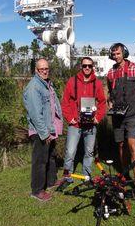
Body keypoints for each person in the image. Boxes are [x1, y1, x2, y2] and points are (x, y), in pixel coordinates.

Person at [107, 43, 135, 204]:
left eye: (118, 53)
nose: (116, 56)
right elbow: (111, 93)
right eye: (114, 54)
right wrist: (111, 103)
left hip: (132, 115)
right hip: (117, 116)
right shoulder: (111, 72)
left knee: (133, 146)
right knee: (122, 147)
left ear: (124, 53)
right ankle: (124, 179)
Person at [23, 58, 63, 202]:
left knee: (51, 156)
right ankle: (37, 190)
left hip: (49, 128)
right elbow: (35, 114)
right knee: (40, 161)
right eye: (42, 69)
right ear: (36, 70)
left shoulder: (47, 84)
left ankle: (51, 181)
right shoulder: (34, 87)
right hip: (41, 131)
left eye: (47, 68)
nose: (45, 71)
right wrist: (44, 133)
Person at [61, 57, 106, 177]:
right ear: (81, 66)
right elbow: (65, 102)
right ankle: (67, 175)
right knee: (70, 152)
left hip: (91, 124)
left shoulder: (97, 83)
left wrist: (98, 118)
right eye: (85, 65)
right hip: (75, 124)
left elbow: (102, 102)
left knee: (89, 152)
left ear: (93, 67)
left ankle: (87, 175)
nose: (87, 68)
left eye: (89, 66)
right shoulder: (72, 81)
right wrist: (70, 118)